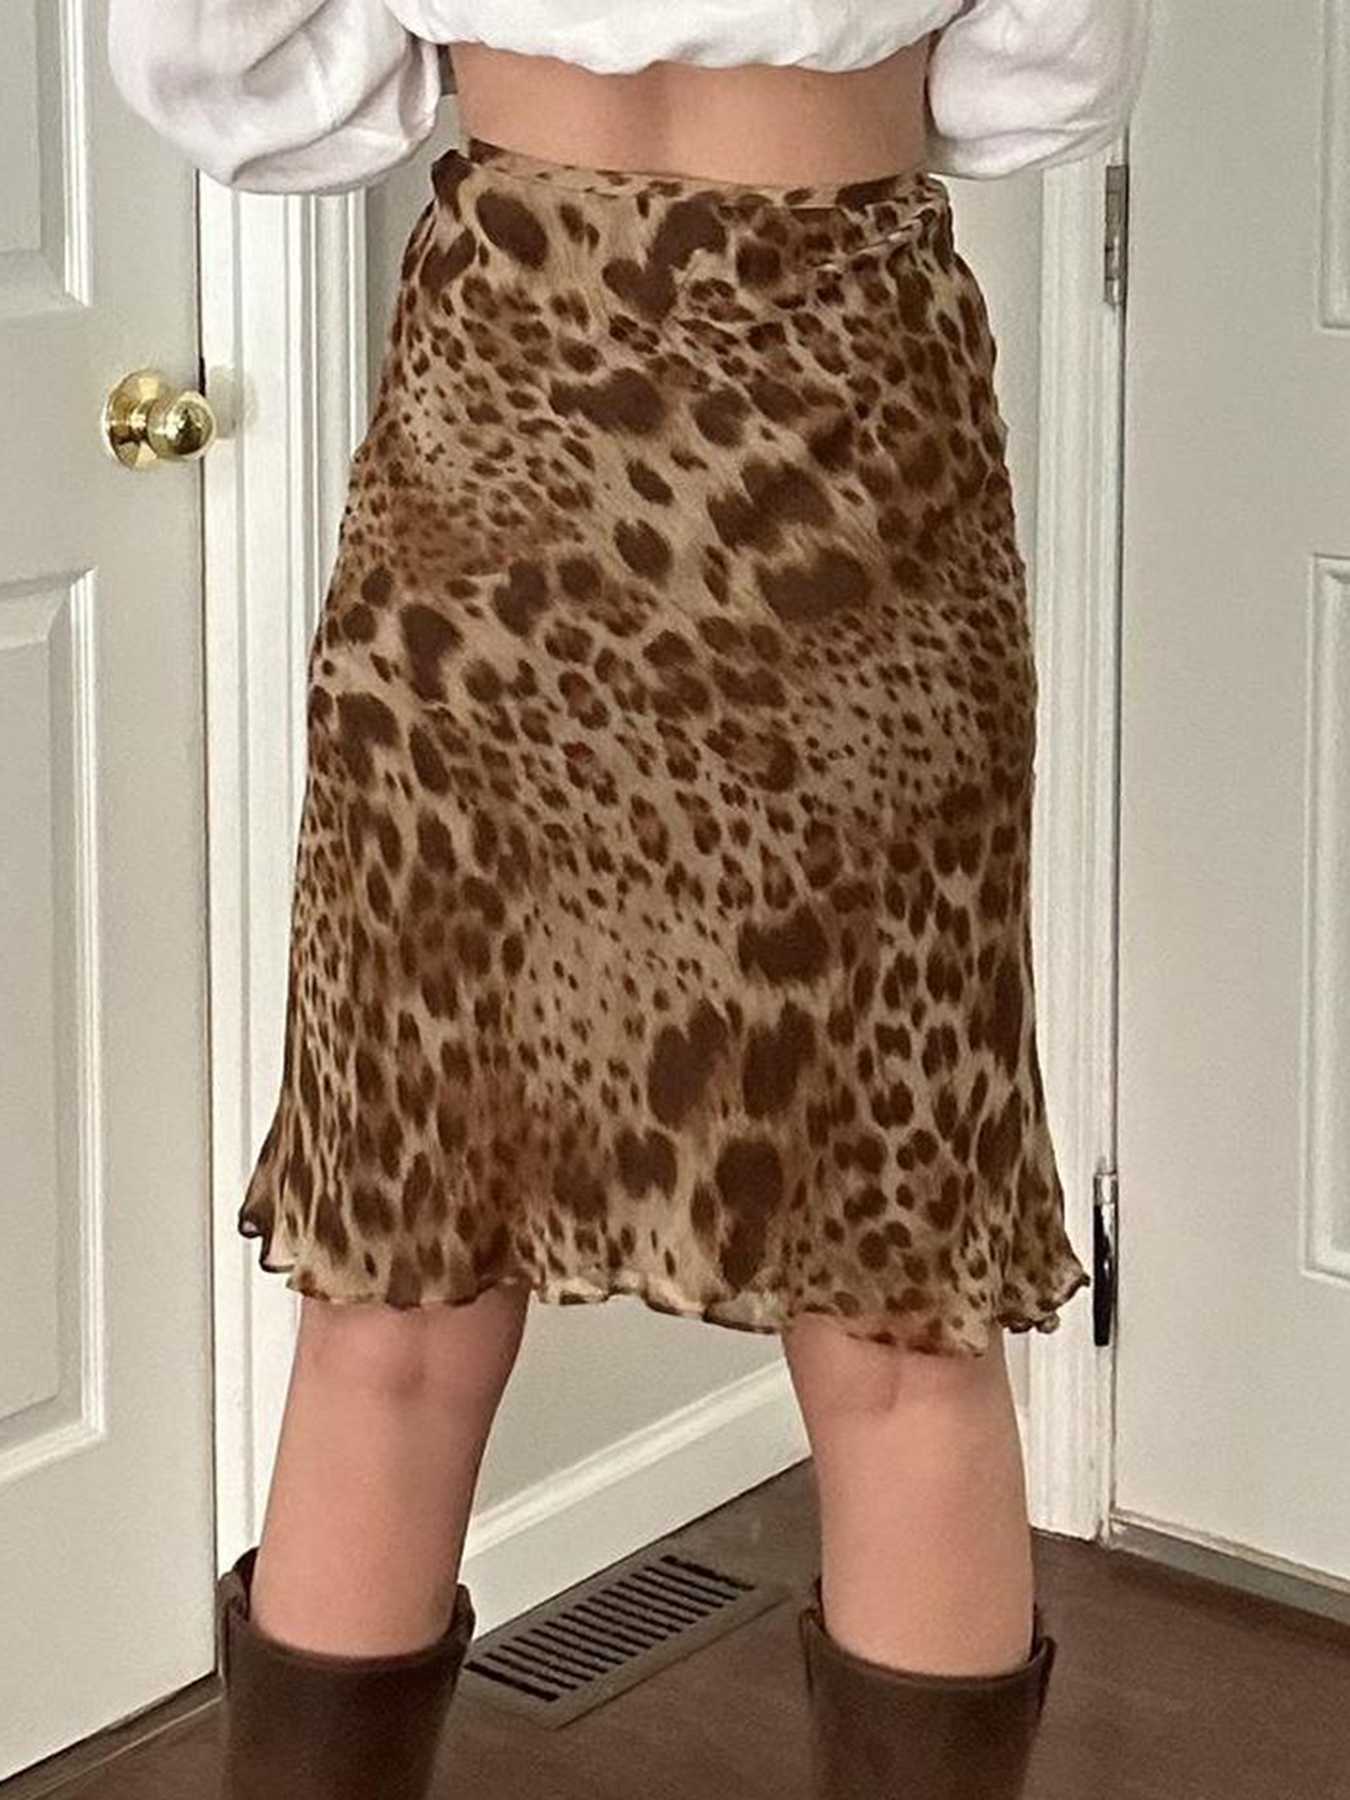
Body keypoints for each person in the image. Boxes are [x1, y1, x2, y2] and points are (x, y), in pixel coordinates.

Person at [107, 3, 1152, 1795]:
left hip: (496, 461)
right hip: (846, 457)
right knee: (896, 1306)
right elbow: (1045, 74)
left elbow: (223, 66)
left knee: (396, 1296)